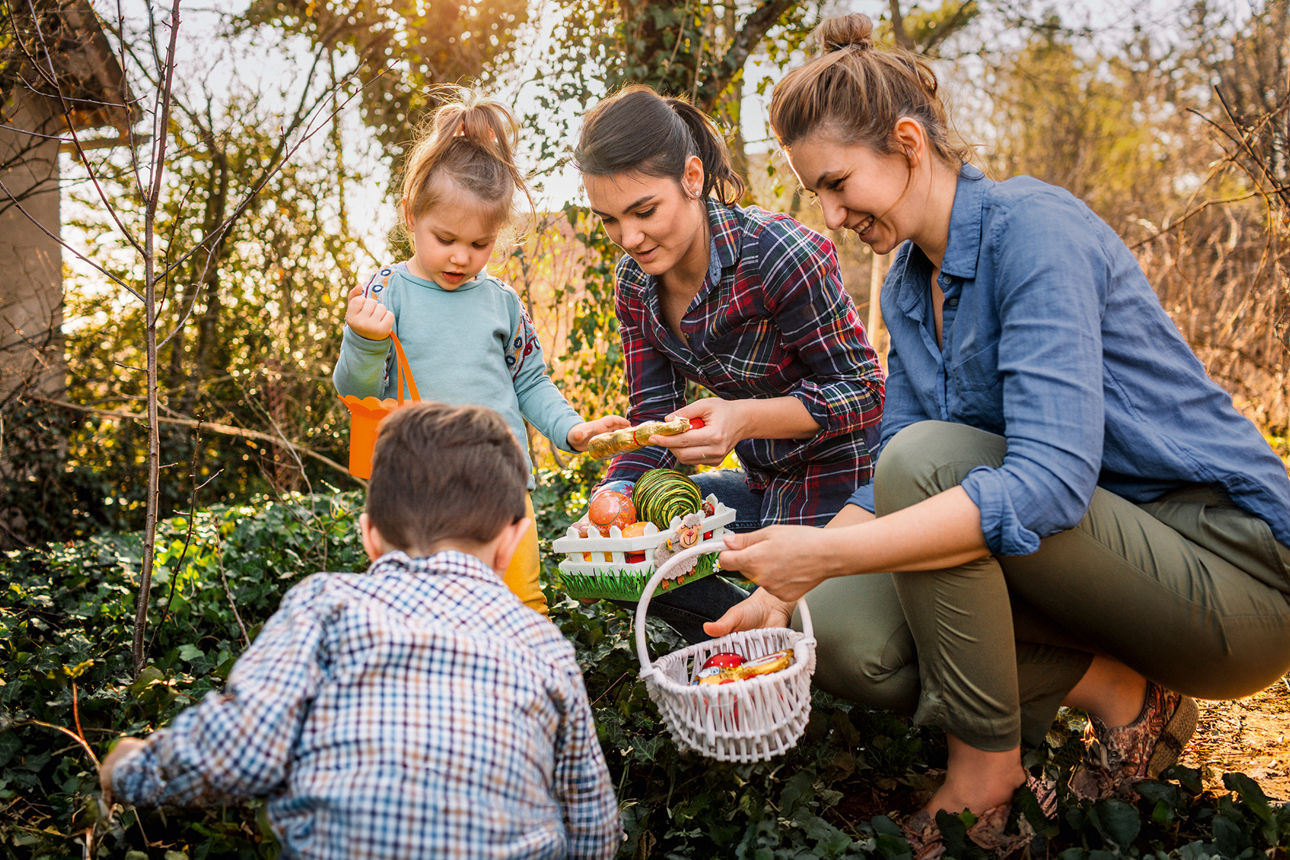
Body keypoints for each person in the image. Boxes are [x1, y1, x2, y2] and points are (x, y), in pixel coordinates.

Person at [705, 12, 1290, 857]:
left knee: (928, 463)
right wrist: (791, 585)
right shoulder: (909, 282)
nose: (829, 215)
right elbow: (884, 482)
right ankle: (1121, 693)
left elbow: (1044, 482)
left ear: (908, 142)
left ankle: (985, 773)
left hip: (1231, 578)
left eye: (837, 184)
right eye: (814, 195)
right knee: (844, 636)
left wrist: (829, 554)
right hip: (1098, 565)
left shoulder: (1033, 231)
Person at [99, 402, 624, 859]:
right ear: (513, 541)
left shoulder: (327, 604)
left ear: (370, 535)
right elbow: (593, 827)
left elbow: (242, 750)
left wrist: (132, 768)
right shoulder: (542, 644)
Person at [571, 84, 886, 642]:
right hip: (763, 486)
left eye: (644, 211)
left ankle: (795, 637)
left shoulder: (779, 254)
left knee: (836, 637)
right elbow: (652, 415)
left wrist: (742, 418)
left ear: (692, 178)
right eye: (609, 220)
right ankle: (753, 648)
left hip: (847, 487)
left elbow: (865, 391)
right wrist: (609, 509)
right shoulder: (634, 287)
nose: (630, 238)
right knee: (644, 569)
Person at [334, 87, 627, 617]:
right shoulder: (387, 293)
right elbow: (356, 393)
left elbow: (530, 382)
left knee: (521, 603)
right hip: (416, 487)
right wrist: (364, 340)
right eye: (445, 238)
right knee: (420, 615)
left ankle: (526, 694)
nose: (461, 257)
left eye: (480, 244)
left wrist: (572, 429)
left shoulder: (503, 303)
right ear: (410, 217)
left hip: (501, 483)